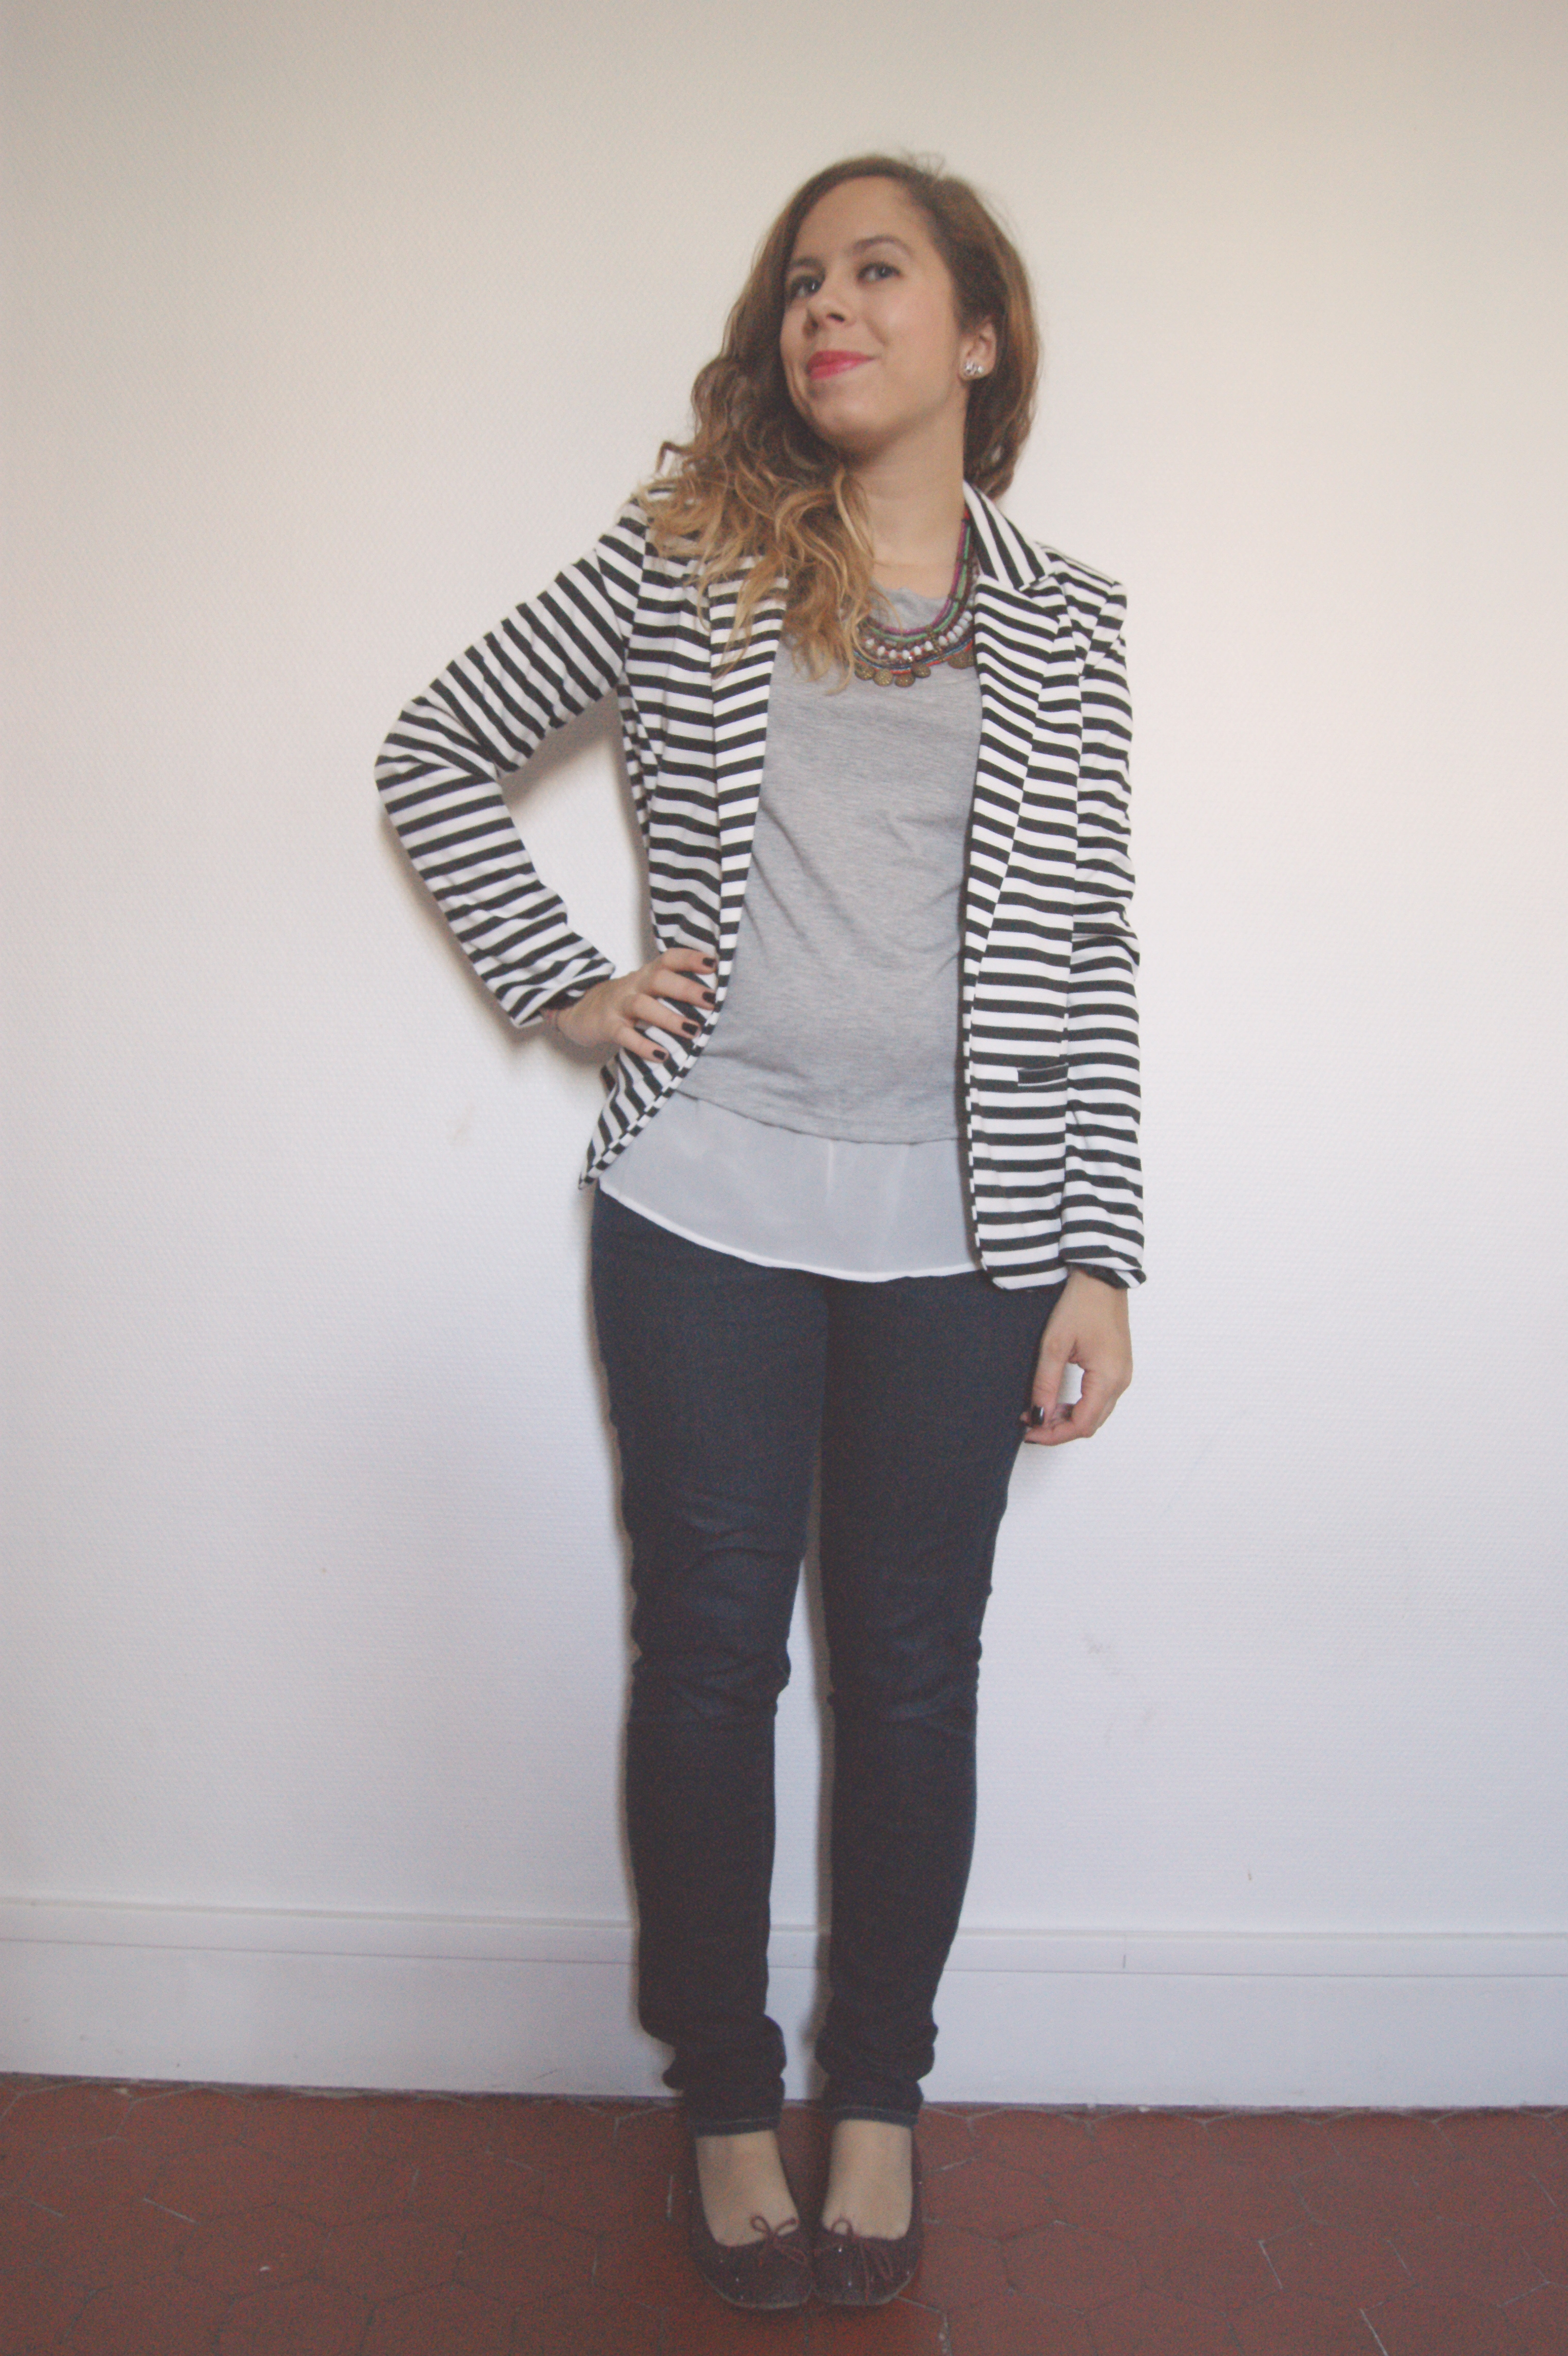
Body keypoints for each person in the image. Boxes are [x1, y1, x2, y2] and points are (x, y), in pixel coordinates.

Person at [376, 153, 1142, 2313]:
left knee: (911, 1667)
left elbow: (1091, 944)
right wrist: (565, 981)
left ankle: (874, 2093)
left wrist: (1099, 1250)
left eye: (878, 271)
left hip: (971, 1228)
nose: (827, 306)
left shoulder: (1071, 621)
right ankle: (723, 2097)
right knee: (712, 1652)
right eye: (802, 278)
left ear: (975, 334)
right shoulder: (687, 559)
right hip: (703, 1197)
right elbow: (438, 746)